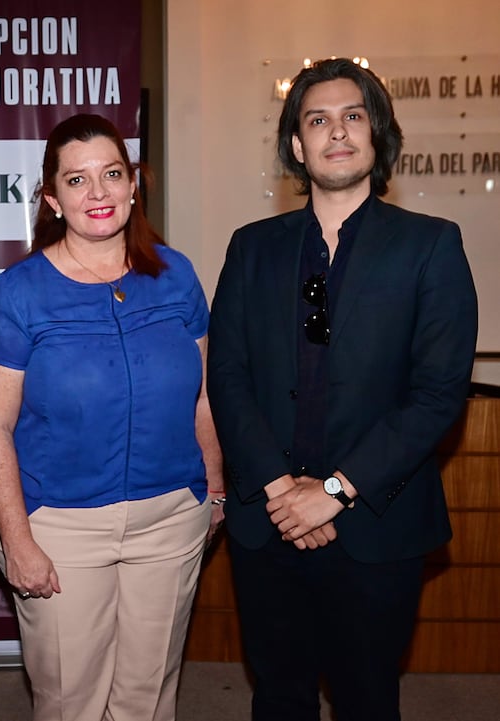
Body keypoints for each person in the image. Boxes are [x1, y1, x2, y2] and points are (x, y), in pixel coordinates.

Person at [207, 58, 478, 721]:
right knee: (278, 698)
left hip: (376, 526)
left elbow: (439, 393)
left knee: (367, 700)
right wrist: (280, 489)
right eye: (317, 119)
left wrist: (330, 493)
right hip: (267, 524)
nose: (336, 132)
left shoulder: (432, 247)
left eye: (353, 117)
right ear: (297, 147)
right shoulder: (251, 248)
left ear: (377, 135)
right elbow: (228, 378)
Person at [0, 113, 225, 721]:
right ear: (52, 198)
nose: (99, 193)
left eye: (111, 174)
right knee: (71, 701)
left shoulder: (177, 274)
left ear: (133, 184)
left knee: (149, 695)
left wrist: (213, 491)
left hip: (170, 518)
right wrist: (18, 540)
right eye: (77, 180)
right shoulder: (18, 292)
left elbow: (204, 396)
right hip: (60, 528)